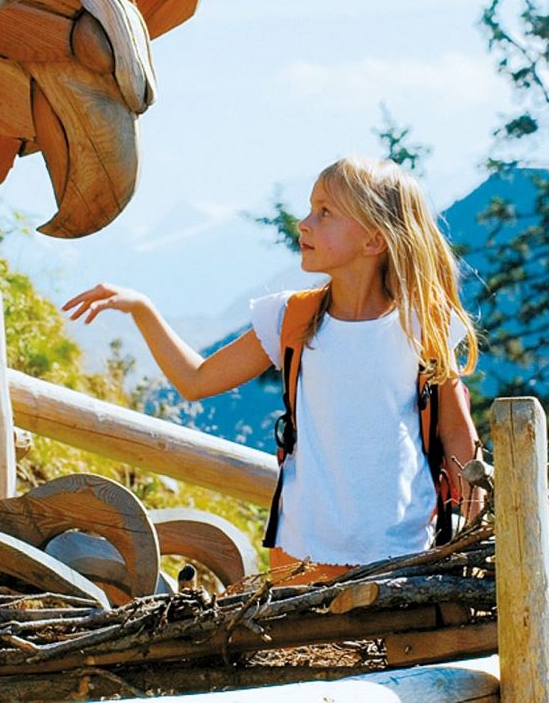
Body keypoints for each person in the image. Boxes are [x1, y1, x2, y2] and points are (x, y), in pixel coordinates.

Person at [63, 155, 483, 582]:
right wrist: (142, 309)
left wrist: (475, 530)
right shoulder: (288, 318)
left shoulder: (423, 326)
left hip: (404, 552)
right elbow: (195, 381)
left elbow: (456, 435)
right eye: (309, 208)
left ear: (374, 240)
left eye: (325, 213)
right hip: (301, 553)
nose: (304, 223)